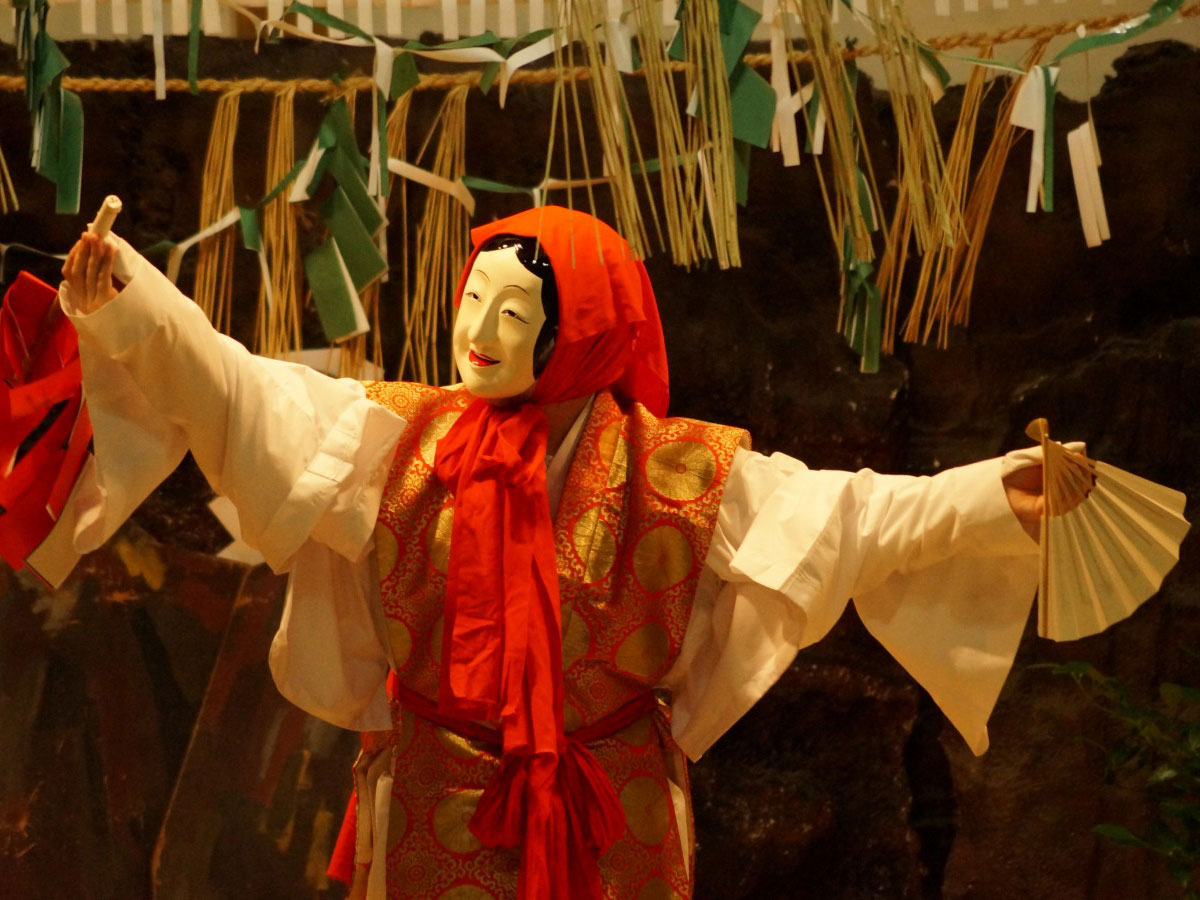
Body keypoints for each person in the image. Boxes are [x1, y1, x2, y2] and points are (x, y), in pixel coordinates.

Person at [60, 206, 1063, 900]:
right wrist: (131, 301)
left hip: (607, 803)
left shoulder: (681, 472)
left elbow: (850, 520)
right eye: (473, 299)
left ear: (584, 328)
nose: (479, 332)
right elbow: (231, 390)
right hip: (433, 798)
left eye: (515, 310)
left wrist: (990, 494)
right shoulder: (391, 439)